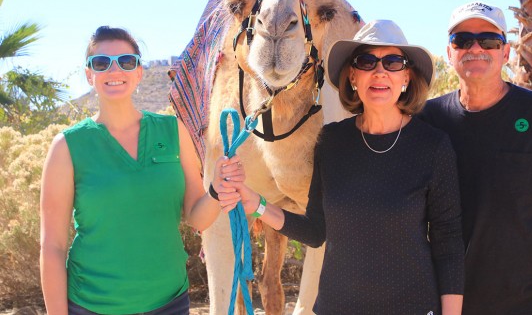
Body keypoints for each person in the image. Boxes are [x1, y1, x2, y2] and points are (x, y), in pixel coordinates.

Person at [219, 19, 465, 315]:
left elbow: (448, 242)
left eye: (393, 62)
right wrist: (255, 203)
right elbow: (316, 230)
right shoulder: (332, 142)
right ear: (352, 77)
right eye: (366, 61)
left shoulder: (432, 147)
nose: (379, 71)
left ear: (406, 78)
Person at [39, 26, 243, 315]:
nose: (114, 70)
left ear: (138, 72)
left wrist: (217, 191)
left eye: (126, 61)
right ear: (89, 75)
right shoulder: (67, 147)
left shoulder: (173, 132)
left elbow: (197, 216)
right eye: (101, 63)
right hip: (92, 305)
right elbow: (53, 246)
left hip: (169, 302)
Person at [419, 2, 532, 315]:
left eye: (488, 40)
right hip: (451, 306)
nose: (475, 48)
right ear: (449, 54)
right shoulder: (428, 120)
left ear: (506, 53)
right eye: (462, 40)